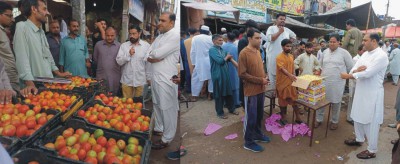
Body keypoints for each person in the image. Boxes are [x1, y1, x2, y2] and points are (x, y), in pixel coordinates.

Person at [341, 33, 388, 159]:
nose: (363, 42)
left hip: (373, 94)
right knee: (357, 115)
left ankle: (372, 150)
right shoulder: (365, 54)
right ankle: (359, 138)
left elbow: (368, 73)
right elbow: (354, 69)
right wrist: (356, 72)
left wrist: (350, 76)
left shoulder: (382, 56)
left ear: (373, 41)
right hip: (361, 91)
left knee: (371, 121)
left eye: (365, 40)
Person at [13, 0, 70, 95]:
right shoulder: (22, 28)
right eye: (44, 9)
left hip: (48, 83)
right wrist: (29, 83)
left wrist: (58, 73)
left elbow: (48, 55)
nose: (47, 13)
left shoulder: (42, 32)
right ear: (34, 9)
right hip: (34, 87)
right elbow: (22, 59)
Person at [146, 12, 179, 150]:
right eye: (159, 20)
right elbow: (148, 53)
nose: (159, 22)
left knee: (167, 108)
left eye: (163, 20)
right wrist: (151, 56)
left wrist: (152, 55)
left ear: (171, 23)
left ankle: (167, 139)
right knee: (157, 105)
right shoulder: (160, 36)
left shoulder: (174, 36)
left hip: (166, 78)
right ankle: (159, 128)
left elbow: (156, 54)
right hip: (156, 77)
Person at [239, 29, 270, 153]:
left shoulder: (258, 51)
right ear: (249, 39)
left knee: (259, 115)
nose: (259, 40)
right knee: (251, 117)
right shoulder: (244, 53)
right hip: (251, 91)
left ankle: (257, 134)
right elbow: (242, 74)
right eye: (257, 38)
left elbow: (259, 68)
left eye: (260, 38)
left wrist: (265, 77)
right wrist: (260, 80)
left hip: (260, 89)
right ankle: (248, 141)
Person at [316, 34, 354, 130]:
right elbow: (320, 66)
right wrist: (317, 73)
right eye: (330, 42)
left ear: (339, 43)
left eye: (334, 42)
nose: (331, 44)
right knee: (321, 100)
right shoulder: (325, 52)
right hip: (324, 81)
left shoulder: (344, 53)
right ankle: (319, 119)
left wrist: (348, 77)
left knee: (336, 102)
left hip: (337, 83)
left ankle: (334, 121)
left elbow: (351, 67)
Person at [209, 34, 239, 119]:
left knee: (228, 92)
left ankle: (231, 109)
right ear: (214, 41)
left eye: (222, 40)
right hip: (217, 75)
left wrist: (238, 66)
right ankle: (220, 112)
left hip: (225, 74)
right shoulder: (212, 50)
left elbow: (230, 59)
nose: (221, 42)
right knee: (219, 94)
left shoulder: (222, 50)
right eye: (219, 40)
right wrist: (227, 57)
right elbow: (220, 61)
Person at [266, 13, 296, 96]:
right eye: (281, 19)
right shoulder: (271, 28)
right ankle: (273, 96)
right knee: (273, 78)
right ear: (276, 20)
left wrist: (289, 44)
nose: (282, 20)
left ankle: (282, 97)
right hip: (274, 58)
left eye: (284, 19)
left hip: (284, 59)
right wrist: (279, 32)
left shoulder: (286, 30)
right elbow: (270, 39)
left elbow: (294, 36)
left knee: (284, 77)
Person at [116, 25, 150, 99]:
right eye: (130, 34)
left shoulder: (146, 46)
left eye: (134, 34)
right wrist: (128, 54)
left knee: (138, 105)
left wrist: (149, 78)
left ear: (139, 33)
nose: (131, 36)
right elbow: (119, 61)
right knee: (126, 106)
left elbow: (148, 64)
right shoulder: (124, 46)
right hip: (126, 81)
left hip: (141, 81)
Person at [276, 39, 303, 124]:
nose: (289, 48)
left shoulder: (291, 56)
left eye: (290, 46)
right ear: (282, 46)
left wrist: (297, 70)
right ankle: (283, 117)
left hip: (291, 82)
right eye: (287, 46)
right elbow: (282, 69)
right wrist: (290, 75)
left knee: (294, 100)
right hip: (282, 83)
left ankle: (298, 117)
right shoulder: (279, 57)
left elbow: (292, 67)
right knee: (283, 101)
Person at [93, 27, 121, 95]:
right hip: (101, 76)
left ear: (115, 35)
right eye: (108, 35)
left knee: (113, 99)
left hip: (115, 77)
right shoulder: (98, 45)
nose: (110, 37)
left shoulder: (119, 46)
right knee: (100, 97)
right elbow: (95, 59)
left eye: (112, 36)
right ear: (105, 35)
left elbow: (121, 61)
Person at [190, 25, 213, 101]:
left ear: (200, 31)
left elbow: (192, 52)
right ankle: (210, 95)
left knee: (196, 79)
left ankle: (194, 96)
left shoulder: (195, 38)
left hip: (199, 62)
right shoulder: (211, 38)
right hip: (210, 61)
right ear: (208, 32)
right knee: (211, 79)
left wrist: (193, 63)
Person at [0, 2, 19, 91]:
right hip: (5, 83)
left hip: (10, 79)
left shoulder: (3, 31)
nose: (13, 19)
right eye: (9, 16)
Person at [347, 45, 365, 125]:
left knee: (356, 101)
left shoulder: (363, 59)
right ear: (359, 51)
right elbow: (352, 72)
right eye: (363, 51)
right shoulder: (355, 59)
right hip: (354, 82)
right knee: (352, 100)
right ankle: (349, 118)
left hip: (359, 83)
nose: (364, 52)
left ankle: (354, 116)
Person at [222, 32, 240, 108]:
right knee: (235, 85)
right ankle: (236, 103)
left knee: (225, 85)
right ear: (235, 38)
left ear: (227, 38)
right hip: (234, 67)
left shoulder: (222, 46)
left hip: (224, 67)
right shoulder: (235, 47)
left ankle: (226, 103)